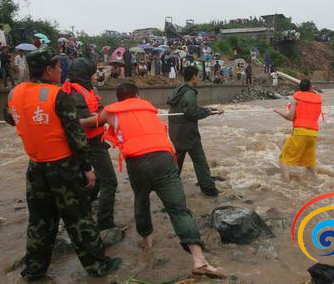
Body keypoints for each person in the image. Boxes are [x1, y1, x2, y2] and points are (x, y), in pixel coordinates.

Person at [80, 83, 227, 279]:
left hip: (137, 162)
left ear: (118, 100)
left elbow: (88, 122)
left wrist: (70, 120)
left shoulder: (110, 112)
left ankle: (147, 240)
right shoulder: (148, 107)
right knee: (178, 209)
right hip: (165, 159)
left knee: (141, 200)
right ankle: (199, 259)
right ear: (138, 95)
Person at [4, 47, 121, 281]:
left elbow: (11, 118)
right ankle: (98, 266)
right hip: (62, 167)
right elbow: (76, 134)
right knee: (78, 217)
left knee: (40, 221)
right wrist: (86, 168)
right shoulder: (57, 95)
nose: (61, 71)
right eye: (58, 67)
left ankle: (34, 270)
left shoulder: (14, 93)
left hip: (35, 166)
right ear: (48, 70)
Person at [63, 58, 119, 230]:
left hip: (95, 141)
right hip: (89, 144)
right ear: (84, 74)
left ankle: (82, 208)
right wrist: (101, 119)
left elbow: (98, 108)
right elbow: (78, 122)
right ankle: (105, 223)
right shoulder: (75, 94)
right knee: (110, 181)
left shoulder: (87, 89)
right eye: (92, 73)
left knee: (99, 179)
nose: (96, 75)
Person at [167, 66, 224, 197]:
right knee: (200, 162)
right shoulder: (189, 92)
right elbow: (192, 112)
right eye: (197, 76)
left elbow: (188, 108)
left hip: (176, 132)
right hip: (188, 134)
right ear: (193, 76)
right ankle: (209, 190)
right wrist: (210, 111)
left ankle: (169, 188)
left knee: (177, 162)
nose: (198, 79)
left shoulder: (178, 90)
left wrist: (212, 110)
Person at [274, 79, 322, 182]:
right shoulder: (318, 98)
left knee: (283, 160)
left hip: (300, 132)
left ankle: (286, 184)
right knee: (309, 163)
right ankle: (317, 181)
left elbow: (290, 117)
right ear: (310, 88)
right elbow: (314, 92)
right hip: (313, 134)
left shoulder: (296, 99)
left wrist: (277, 111)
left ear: (300, 88)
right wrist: (309, 87)